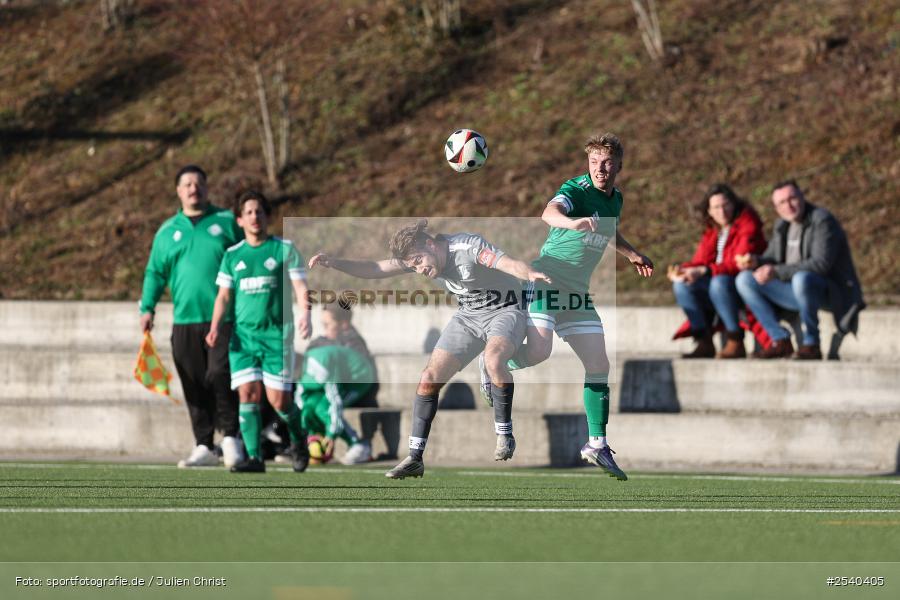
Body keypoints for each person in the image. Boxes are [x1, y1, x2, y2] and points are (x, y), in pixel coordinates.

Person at [308, 220, 550, 479]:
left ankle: (504, 433)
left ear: (431, 245)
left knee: (493, 360)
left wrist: (529, 274)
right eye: (413, 266)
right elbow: (376, 268)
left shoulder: (468, 246)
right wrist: (335, 262)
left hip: (505, 309)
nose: (419, 269)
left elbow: (508, 263)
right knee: (428, 379)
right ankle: (414, 458)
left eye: (419, 261)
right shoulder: (416, 256)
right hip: (468, 316)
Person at [494, 132, 654, 481]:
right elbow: (549, 213)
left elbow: (609, 231)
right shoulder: (577, 189)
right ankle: (492, 364)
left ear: (619, 166)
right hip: (546, 280)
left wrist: (632, 254)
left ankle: (597, 442)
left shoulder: (616, 199)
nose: (600, 168)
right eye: (595, 162)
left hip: (577, 293)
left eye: (607, 162)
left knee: (599, 363)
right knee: (538, 353)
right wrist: (572, 222)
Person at [139, 165, 244, 468]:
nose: (193, 188)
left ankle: (232, 439)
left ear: (207, 188)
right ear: (178, 191)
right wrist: (147, 307)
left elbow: (247, 255)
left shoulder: (226, 222)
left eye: (198, 183)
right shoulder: (167, 231)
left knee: (220, 374)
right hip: (185, 320)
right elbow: (155, 273)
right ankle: (204, 445)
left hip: (223, 318)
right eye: (187, 184)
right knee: (193, 381)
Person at [206, 190, 313, 473]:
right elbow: (224, 297)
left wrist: (306, 316)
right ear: (240, 220)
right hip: (243, 338)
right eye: (249, 212)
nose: (255, 217)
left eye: (260, 212)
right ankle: (254, 458)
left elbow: (302, 288)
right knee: (248, 394)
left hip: (277, 338)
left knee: (279, 400)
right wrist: (215, 326)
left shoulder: (284, 249)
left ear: (267, 217)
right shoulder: (232, 256)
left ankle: (299, 439)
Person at [735, 180, 865, 359]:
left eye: (792, 198)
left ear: (802, 197)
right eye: (782, 202)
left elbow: (820, 264)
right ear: (776, 208)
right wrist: (755, 261)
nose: (788, 205)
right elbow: (771, 258)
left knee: (802, 278)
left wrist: (776, 271)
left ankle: (812, 344)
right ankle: (780, 340)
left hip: (828, 292)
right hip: (792, 291)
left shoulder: (822, 220)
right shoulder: (782, 225)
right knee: (745, 279)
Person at [667, 183, 766, 358]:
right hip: (714, 282)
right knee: (682, 286)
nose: (722, 211)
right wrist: (682, 271)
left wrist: (704, 270)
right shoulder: (713, 230)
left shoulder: (747, 223)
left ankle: (735, 339)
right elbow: (700, 261)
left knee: (718, 282)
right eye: (716, 207)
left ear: (734, 204)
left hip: (739, 284)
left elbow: (739, 263)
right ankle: (703, 340)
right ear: (709, 211)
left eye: (725, 204)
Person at [295, 344, 376, 465]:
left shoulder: (319, 365)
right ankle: (320, 442)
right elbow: (301, 403)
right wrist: (309, 435)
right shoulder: (299, 372)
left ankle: (358, 445)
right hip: (341, 382)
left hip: (358, 377)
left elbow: (334, 400)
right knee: (310, 405)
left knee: (323, 406)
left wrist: (331, 434)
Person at [306, 303, 379, 407]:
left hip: (359, 401)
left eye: (327, 325)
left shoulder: (355, 345)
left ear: (344, 324)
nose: (325, 331)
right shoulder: (327, 341)